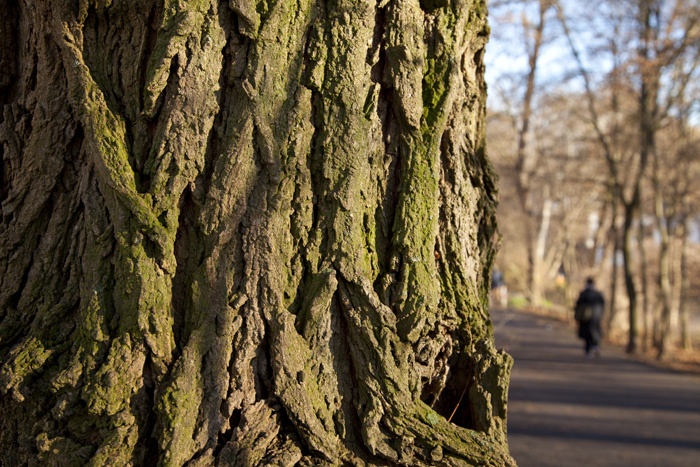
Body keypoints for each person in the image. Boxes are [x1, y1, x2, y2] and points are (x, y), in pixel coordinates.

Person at [574, 277, 604, 358]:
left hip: (586, 317)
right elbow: (603, 305)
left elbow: (578, 305)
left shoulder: (584, 294)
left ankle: (588, 351)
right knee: (595, 332)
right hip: (596, 317)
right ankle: (595, 346)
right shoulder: (598, 294)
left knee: (587, 335)